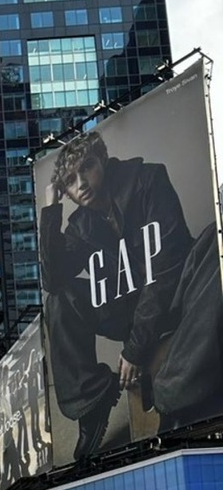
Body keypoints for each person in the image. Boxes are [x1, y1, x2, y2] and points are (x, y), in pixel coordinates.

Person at [39, 129, 198, 461]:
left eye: (87, 168)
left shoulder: (149, 180)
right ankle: (92, 401)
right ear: (67, 191)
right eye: (70, 180)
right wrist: (50, 212)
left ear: (104, 162)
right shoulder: (81, 225)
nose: (81, 182)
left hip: (179, 294)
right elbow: (54, 281)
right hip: (129, 307)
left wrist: (135, 349)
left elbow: (166, 270)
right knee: (60, 299)